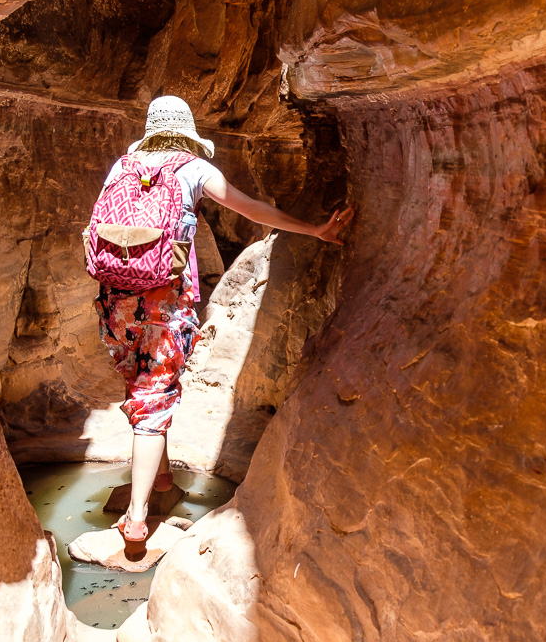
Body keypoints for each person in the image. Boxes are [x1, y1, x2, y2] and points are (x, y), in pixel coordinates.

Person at [93, 95, 353, 543]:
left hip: (116, 301)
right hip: (164, 307)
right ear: (186, 131)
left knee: (144, 389)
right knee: (154, 398)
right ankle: (137, 520)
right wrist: (314, 230)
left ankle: (160, 481)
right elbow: (251, 209)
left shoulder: (121, 168)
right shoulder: (193, 169)